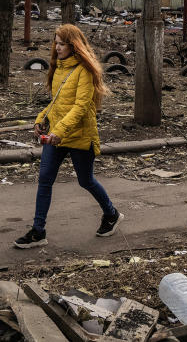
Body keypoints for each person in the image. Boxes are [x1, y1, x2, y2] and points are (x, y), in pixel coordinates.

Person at [14, 23, 120, 249]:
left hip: (79, 135)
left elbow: (81, 106)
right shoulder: (59, 68)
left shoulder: (85, 71)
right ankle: (38, 231)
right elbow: (57, 102)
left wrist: (59, 131)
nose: (57, 47)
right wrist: (40, 119)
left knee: (86, 180)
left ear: (74, 46)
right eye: (56, 42)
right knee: (45, 180)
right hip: (56, 135)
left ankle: (111, 214)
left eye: (62, 43)